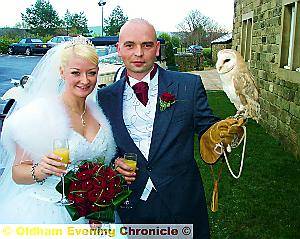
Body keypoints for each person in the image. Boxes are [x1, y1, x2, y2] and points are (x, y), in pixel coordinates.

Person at [97, 19, 244, 238]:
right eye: (130, 45)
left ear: (157, 49)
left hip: (181, 199)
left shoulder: (188, 85)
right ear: (119, 49)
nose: (138, 53)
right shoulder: (104, 97)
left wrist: (220, 135)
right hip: (131, 202)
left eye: (146, 45)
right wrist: (113, 163)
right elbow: (101, 147)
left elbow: (208, 128)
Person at [0, 37, 116, 223]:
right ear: (62, 72)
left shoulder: (98, 112)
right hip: (45, 213)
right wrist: (40, 170)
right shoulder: (39, 114)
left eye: (91, 73)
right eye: (76, 73)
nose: (85, 81)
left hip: (90, 213)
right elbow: (17, 173)